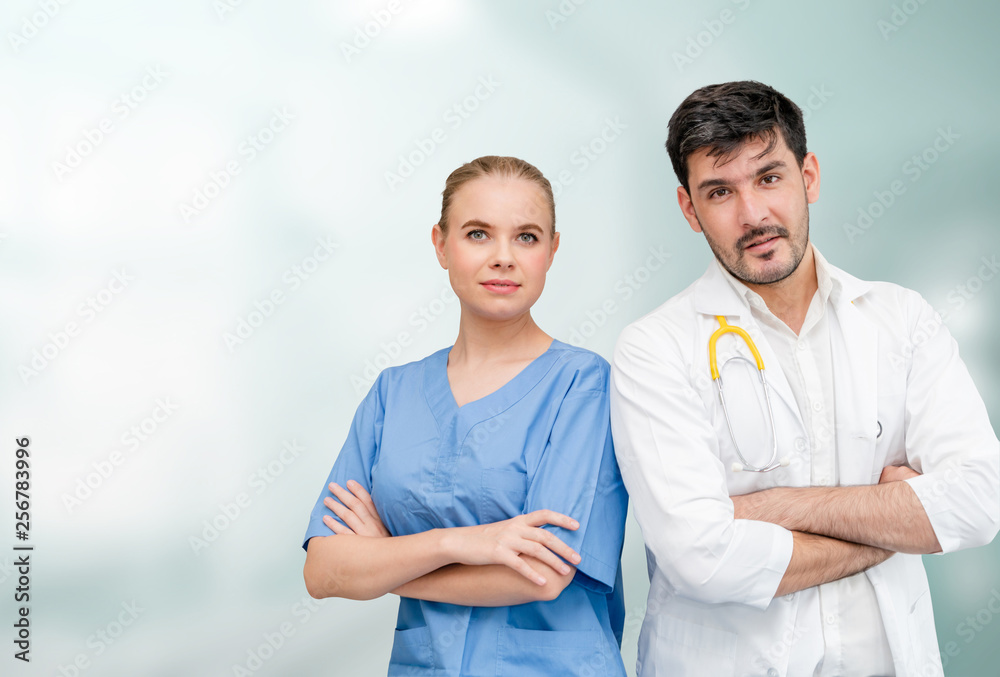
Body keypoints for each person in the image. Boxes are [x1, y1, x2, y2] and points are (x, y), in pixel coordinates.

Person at [610, 81, 999, 676]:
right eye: (720, 192)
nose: (754, 215)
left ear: (808, 175)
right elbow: (700, 557)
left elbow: (978, 502)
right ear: (690, 209)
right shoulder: (654, 349)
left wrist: (778, 506)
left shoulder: (902, 321)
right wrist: (895, 518)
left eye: (769, 177)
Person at [302, 156, 629, 676]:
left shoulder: (582, 385)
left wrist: (385, 562)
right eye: (478, 234)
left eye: (526, 237)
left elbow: (541, 575)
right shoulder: (394, 393)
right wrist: (461, 543)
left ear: (552, 251)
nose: (503, 258)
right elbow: (322, 572)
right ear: (440, 245)